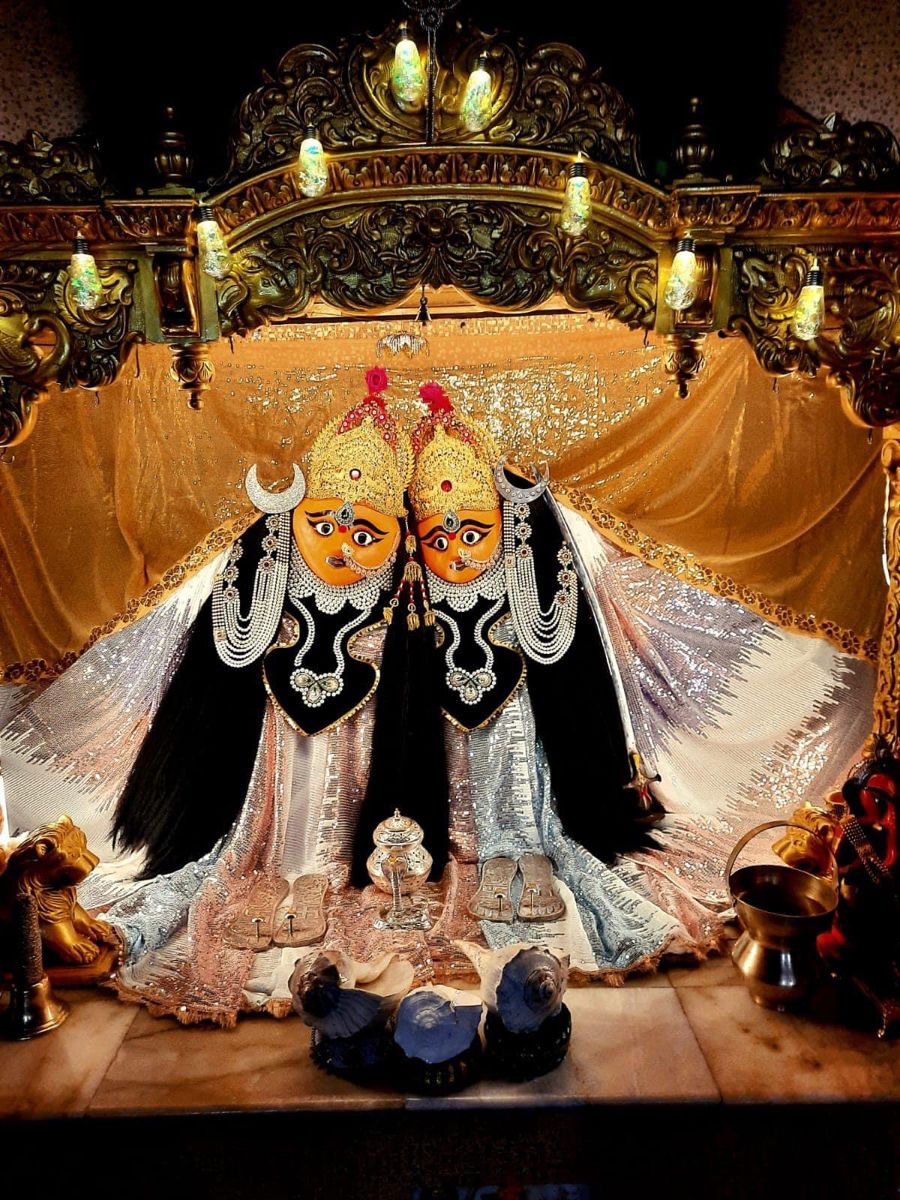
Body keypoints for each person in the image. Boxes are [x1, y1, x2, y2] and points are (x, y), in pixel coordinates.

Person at [0, 372, 875, 1022]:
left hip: (508, 767)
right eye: (329, 528)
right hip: (286, 782)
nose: (346, 549)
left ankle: (498, 865)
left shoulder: (510, 584)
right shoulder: (282, 582)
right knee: (279, 848)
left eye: (372, 531)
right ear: (294, 524)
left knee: (514, 830)